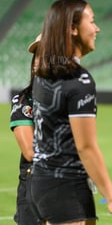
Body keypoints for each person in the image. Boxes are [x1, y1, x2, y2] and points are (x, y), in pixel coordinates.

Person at [30, 0, 112, 225]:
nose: (97, 28)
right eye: (92, 21)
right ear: (72, 29)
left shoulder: (43, 71)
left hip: (40, 181)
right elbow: (85, 146)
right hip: (66, 186)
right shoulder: (78, 79)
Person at [9, 34, 42, 225]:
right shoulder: (23, 101)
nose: (38, 61)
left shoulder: (71, 99)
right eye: (37, 55)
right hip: (35, 184)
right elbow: (29, 151)